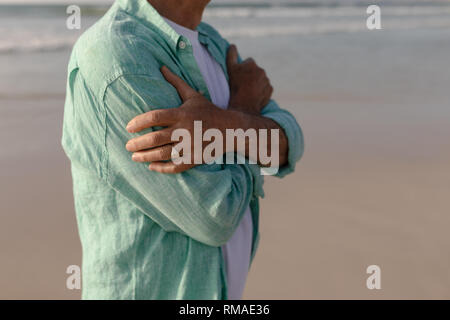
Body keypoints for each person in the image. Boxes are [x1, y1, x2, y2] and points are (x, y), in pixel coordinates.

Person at [62, 0, 304, 300]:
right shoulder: (117, 55)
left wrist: (227, 124)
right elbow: (215, 215)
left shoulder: (213, 43)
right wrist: (244, 111)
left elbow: (289, 143)